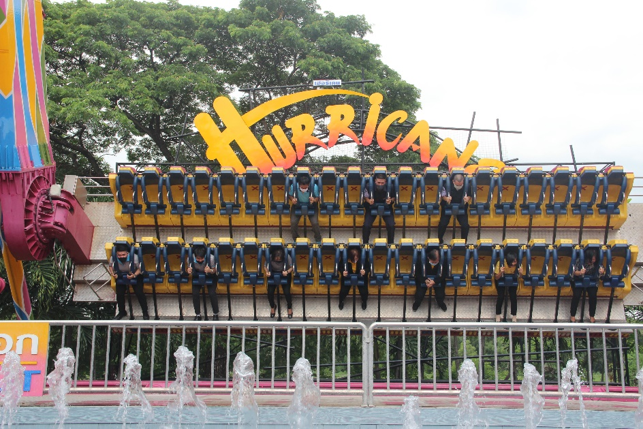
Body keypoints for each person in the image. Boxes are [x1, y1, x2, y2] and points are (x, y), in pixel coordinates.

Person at [108, 243, 149, 320]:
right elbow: (110, 266)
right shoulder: (113, 258)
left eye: (123, 255)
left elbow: (140, 269)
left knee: (139, 292)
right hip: (121, 275)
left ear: (127, 253)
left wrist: (134, 275)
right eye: (119, 255)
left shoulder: (135, 257)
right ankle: (122, 312)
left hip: (134, 274)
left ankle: (145, 312)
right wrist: (113, 274)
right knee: (119, 293)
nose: (121, 257)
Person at [570, 249, 605, 323]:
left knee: (593, 295)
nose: (594, 260)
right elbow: (574, 271)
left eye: (595, 259)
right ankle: (572, 315)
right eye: (592, 259)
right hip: (579, 279)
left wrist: (602, 271)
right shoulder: (580, 260)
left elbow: (602, 270)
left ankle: (592, 315)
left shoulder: (597, 262)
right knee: (576, 295)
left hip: (592, 279)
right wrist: (580, 272)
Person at [186, 245, 219, 321]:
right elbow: (187, 269)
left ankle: (215, 313)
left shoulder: (211, 258)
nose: (200, 260)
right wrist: (188, 270)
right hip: (197, 275)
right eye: (198, 258)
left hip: (210, 275)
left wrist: (210, 270)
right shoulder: (190, 258)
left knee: (212, 293)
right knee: (195, 293)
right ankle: (198, 314)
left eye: (202, 258)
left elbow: (215, 270)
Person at [437, 174, 470, 244]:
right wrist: (446, 199)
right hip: (448, 206)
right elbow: (442, 195)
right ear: (453, 181)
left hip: (461, 207)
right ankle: (439, 240)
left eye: (461, 185)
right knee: (443, 223)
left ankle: (464, 242)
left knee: (465, 225)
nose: (459, 186)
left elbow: (470, 195)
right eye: (457, 185)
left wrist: (468, 198)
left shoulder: (467, 186)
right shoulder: (446, 185)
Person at [362, 173, 395, 244]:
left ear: (385, 182)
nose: (380, 184)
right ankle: (365, 244)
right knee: (366, 225)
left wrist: (390, 200)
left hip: (386, 207)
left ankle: (390, 244)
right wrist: (368, 200)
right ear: (375, 181)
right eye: (378, 182)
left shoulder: (391, 186)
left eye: (382, 183)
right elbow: (365, 196)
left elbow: (394, 197)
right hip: (372, 206)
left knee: (391, 225)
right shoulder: (368, 185)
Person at [289, 175, 322, 243]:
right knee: (293, 222)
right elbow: (290, 195)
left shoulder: (314, 187)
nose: (304, 189)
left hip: (311, 205)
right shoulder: (293, 186)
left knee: (315, 223)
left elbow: (318, 197)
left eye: (306, 187)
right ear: (299, 184)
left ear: (309, 184)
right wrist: (292, 199)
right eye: (302, 187)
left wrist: (314, 200)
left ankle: (318, 238)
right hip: (297, 205)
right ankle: (295, 238)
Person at [264, 248, 294, 319]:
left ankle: (289, 307)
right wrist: (267, 272)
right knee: (270, 293)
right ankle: (273, 306)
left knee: (287, 292)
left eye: (279, 259)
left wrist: (287, 272)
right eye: (276, 259)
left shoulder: (287, 256)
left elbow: (292, 267)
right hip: (273, 273)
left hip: (284, 273)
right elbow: (265, 266)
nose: (277, 260)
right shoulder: (270, 256)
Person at [494, 253, 523, 322]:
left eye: (516, 261)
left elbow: (521, 277)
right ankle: (498, 314)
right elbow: (496, 277)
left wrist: (521, 273)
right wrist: (501, 272)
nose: (515, 263)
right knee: (501, 296)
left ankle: (514, 315)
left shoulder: (519, 264)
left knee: (513, 296)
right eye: (513, 262)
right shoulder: (500, 263)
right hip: (501, 278)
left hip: (512, 279)